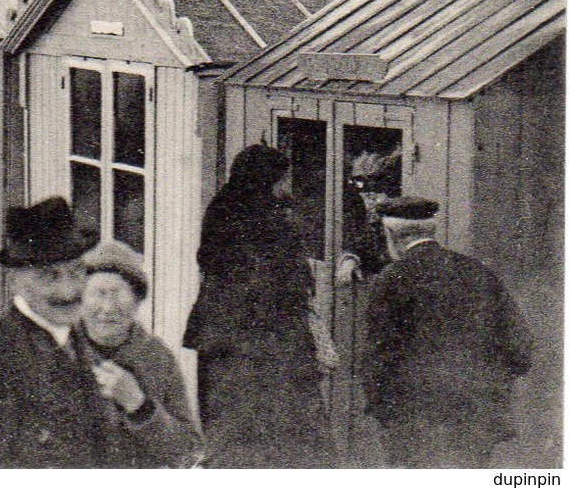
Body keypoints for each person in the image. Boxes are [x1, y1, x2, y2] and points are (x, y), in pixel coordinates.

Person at [183, 144, 335, 468]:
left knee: (226, 422)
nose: (285, 187)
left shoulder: (224, 206)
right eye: (282, 180)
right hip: (258, 342)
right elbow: (282, 283)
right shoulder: (266, 220)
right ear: (266, 180)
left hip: (218, 332)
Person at [364, 196, 534, 467]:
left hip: (415, 421)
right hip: (475, 417)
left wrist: (384, 413)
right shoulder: (479, 272)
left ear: (390, 234)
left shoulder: (390, 279)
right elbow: (520, 348)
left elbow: (379, 356)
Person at [0, 196, 108, 468]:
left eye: (78, 271)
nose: (69, 291)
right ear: (15, 280)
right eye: (49, 276)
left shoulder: (76, 338)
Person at [77, 239, 203, 468]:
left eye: (118, 294)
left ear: (137, 301)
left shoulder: (157, 358)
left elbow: (189, 453)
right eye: (98, 293)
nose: (107, 308)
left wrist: (139, 405)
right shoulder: (52, 351)